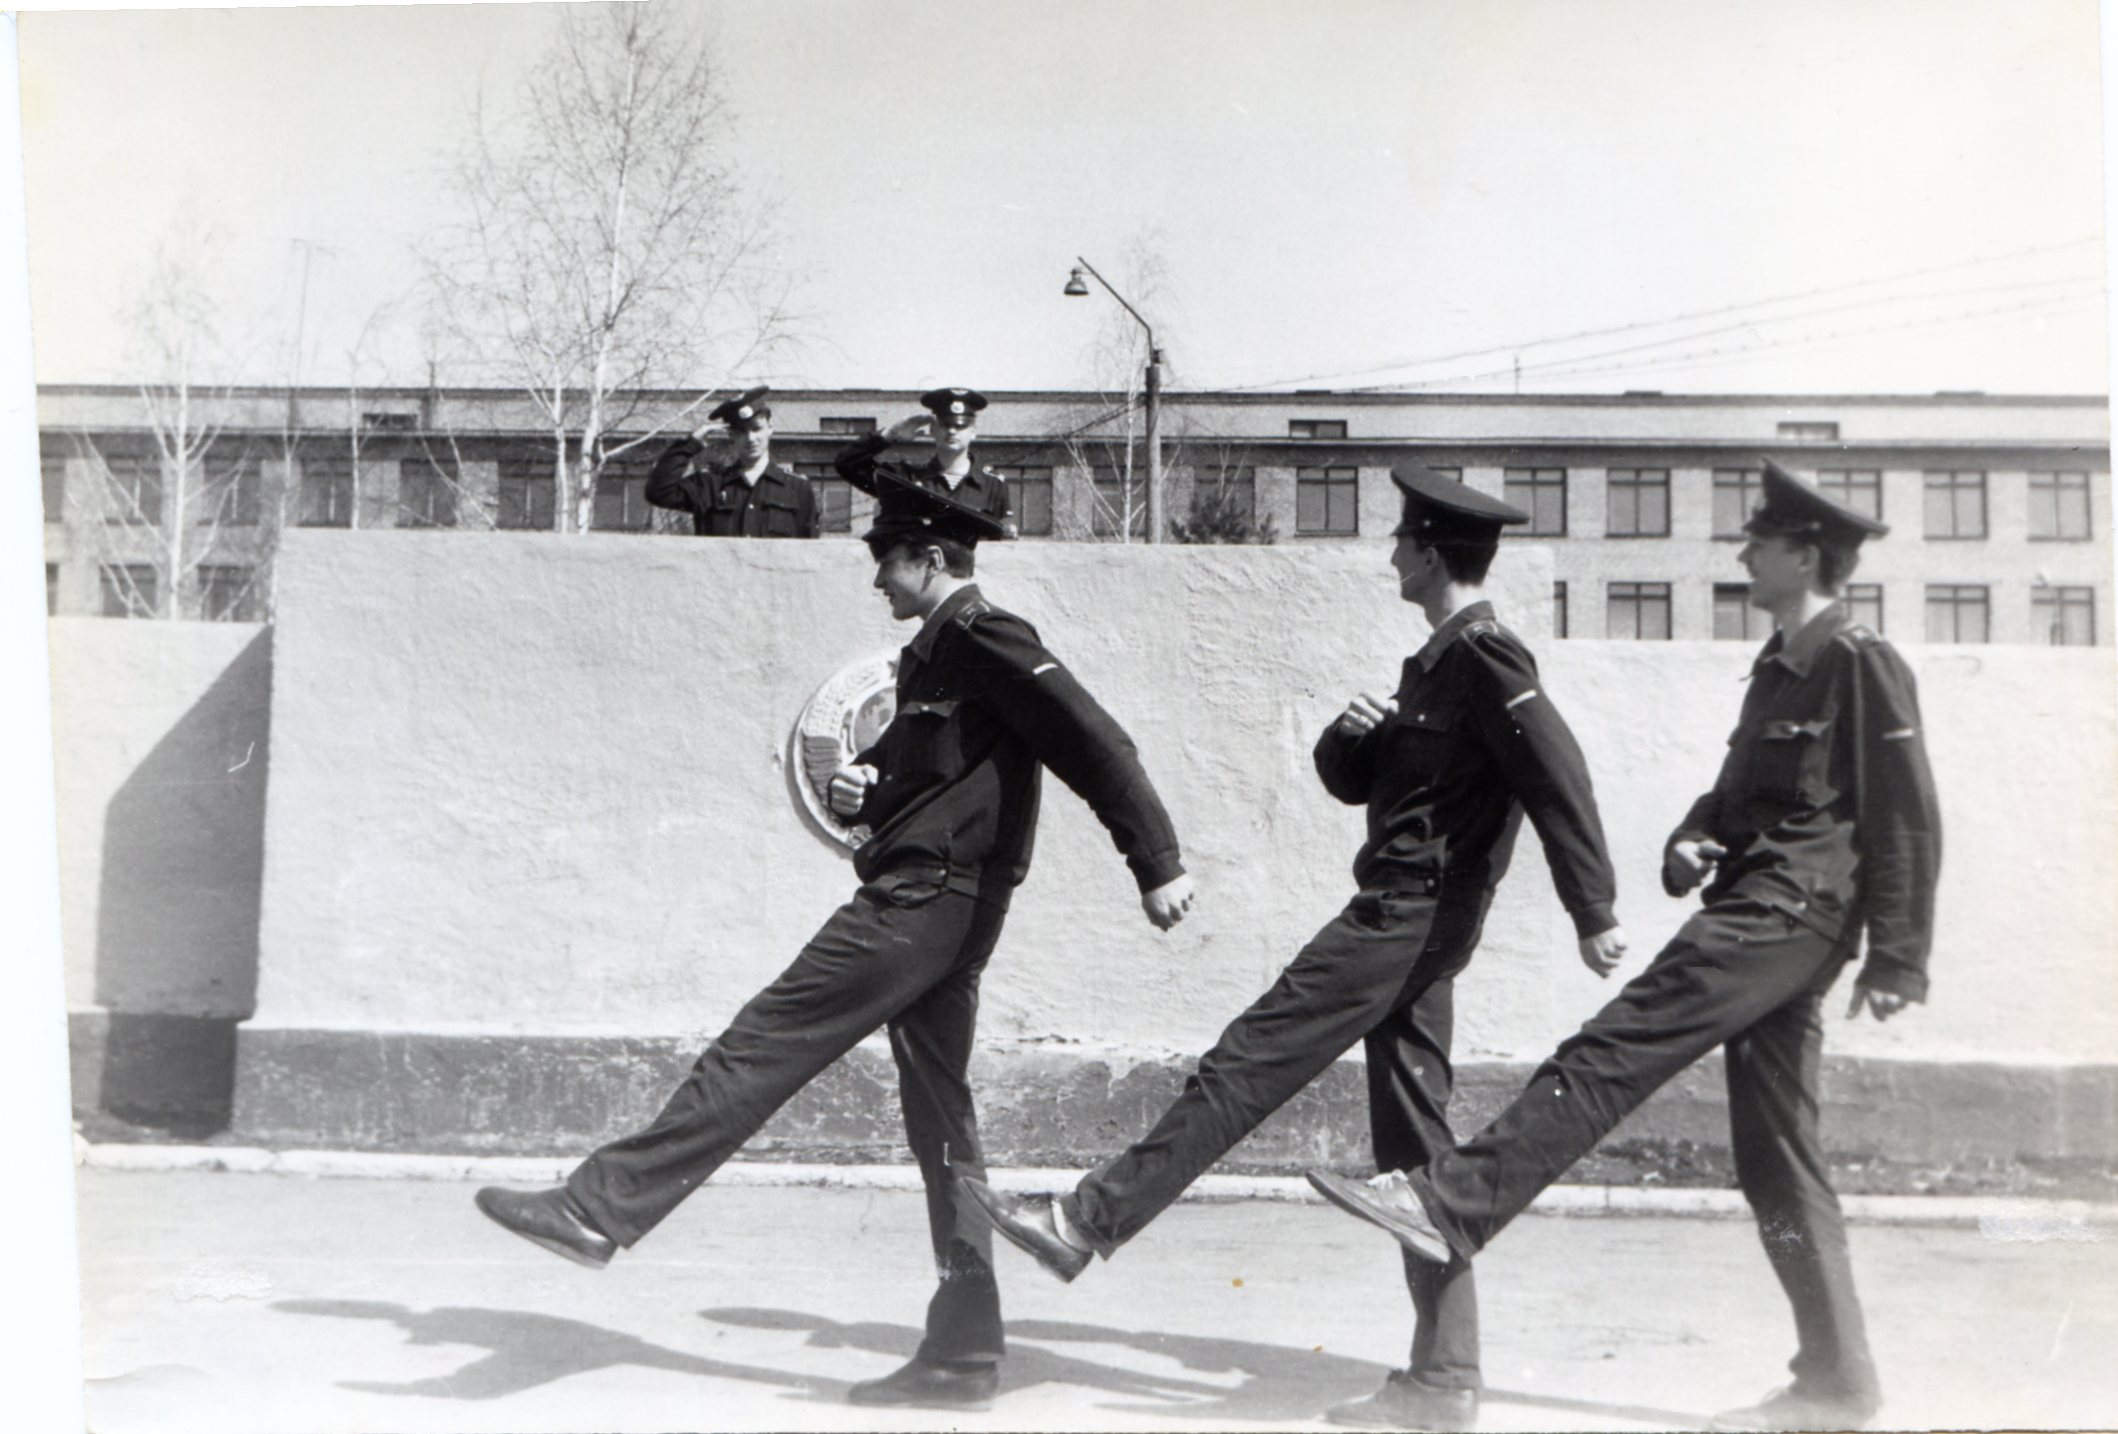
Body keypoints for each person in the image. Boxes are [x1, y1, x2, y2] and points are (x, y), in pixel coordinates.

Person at [473, 467, 1196, 1412]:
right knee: (942, 1120)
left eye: (886, 560)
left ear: (930, 558)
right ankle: (963, 1351)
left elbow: (1096, 741)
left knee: (763, 1040)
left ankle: (596, 1208)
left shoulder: (986, 636)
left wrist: (1157, 862)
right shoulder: (930, 657)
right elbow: (929, 778)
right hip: (943, 904)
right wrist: (869, 785)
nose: (876, 578)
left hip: (923, 902)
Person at [965, 467, 1628, 1432]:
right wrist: (1352, 738)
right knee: (1416, 1148)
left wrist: (1592, 907)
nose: (1391, 552)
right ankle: (1446, 1380)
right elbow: (1365, 786)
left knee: (1247, 1061)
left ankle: (1084, 1221)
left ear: (1430, 553)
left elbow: (1558, 774)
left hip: (1409, 913)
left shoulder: (1486, 655)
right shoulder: (1434, 664)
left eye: (1401, 540)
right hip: (1410, 911)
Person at [1304, 458, 1941, 1434]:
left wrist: (1899, 954)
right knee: (1778, 1158)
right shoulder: (1777, 663)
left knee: (1615, 1046)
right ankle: (1838, 1382)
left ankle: (1453, 1201)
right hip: (1756, 901)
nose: (1743, 553)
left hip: (1791, 913)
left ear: (1807, 555)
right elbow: (1737, 795)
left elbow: (1907, 814)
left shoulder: (1859, 660)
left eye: (1761, 541)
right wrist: (1692, 837)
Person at [644, 384, 819, 537]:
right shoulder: (710, 484)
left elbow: (809, 549)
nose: (750, 438)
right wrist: (690, 445)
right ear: (731, 435)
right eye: (741, 431)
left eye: (756, 428)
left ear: (770, 429)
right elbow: (658, 492)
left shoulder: (797, 488)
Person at [833, 385, 1013, 533]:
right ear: (932, 429)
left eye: (960, 426)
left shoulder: (993, 485)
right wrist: (890, 434)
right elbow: (846, 464)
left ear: (973, 432)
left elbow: (1000, 543)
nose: (952, 431)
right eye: (945, 424)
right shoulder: (905, 478)